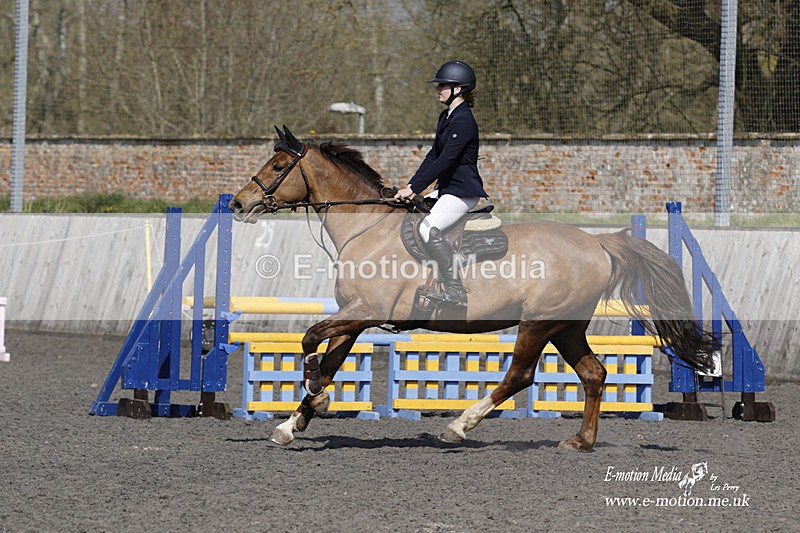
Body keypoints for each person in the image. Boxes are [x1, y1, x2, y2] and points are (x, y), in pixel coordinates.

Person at [395, 60, 488, 306]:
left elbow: (447, 159)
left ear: (458, 88)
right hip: (446, 190)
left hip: (462, 191)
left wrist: (415, 189)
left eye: (442, 85)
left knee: (428, 229)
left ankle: (456, 291)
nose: (438, 89)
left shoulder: (464, 120)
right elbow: (433, 155)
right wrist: (410, 187)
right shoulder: (446, 116)